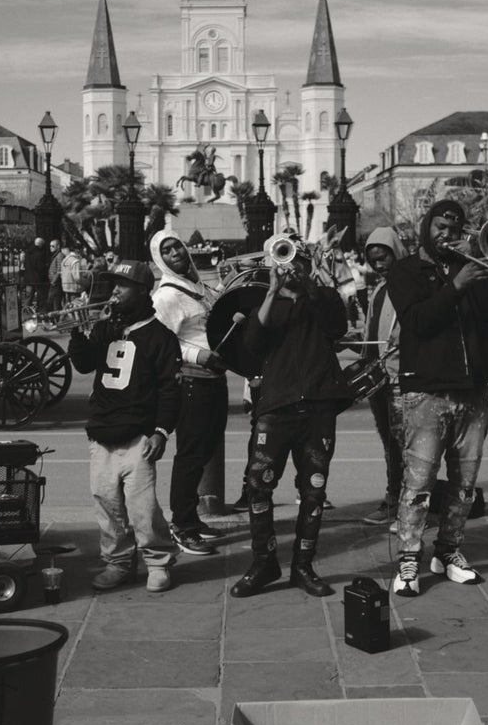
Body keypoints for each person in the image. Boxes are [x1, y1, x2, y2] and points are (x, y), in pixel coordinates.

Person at [386, 199, 488, 596]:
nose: (447, 233)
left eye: (454, 227)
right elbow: (418, 321)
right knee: (418, 483)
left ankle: (449, 551)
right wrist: (456, 286)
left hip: (472, 388)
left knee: (465, 483)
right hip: (426, 390)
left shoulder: (470, 269)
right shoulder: (405, 271)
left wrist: (485, 270)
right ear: (427, 228)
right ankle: (408, 559)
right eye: (440, 225)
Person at [230, 245, 352, 598]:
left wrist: (310, 290)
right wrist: (271, 291)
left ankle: (303, 566)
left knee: (313, 490)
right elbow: (253, 343)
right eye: (286, 259)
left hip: (319, 406)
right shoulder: (265, 304)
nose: (293, 266)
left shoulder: (324, 296)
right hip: (276, 405)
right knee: (258, 484)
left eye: (299, 259)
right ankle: (263, 562)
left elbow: (336, 328)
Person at [66, 260, 183, 594]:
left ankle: (158, 562)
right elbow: (85, 363)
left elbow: (169, 390)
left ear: (143, 291)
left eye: (122, 285)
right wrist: (78, 331)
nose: (114, 290)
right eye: (113, 284)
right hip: (102, 432)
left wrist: (161, 431)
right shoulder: (107, 328)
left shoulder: (160, 337)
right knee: (107, 507)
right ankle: (118, 562)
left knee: (142, 509)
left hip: (138, 436)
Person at [149, 230, 228, 556]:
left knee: (204, 450)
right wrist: (199, 355)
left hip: (213, 380)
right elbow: (161, 342)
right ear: (159, 259)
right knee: (191, 456)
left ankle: (191, 518)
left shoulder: (193, 286)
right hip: (194, 382)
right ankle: (181, 525)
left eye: (176, 246)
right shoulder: (166, 296)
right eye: (166, 251)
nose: (174, 253)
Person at [359, 226, 406, 526]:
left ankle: (407, 506)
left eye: (383, 257)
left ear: (396, 252)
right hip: (378, 379)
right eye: (373, 260)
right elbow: (373, 330)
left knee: (405, 445)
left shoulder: (408, 285)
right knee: (390, 443)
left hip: (400, 379)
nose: (378, 265)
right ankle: (393, 499)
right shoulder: (379, 288)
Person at [22, 237, 51, 310]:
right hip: (38, 279)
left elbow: (25, 265)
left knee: (29, 296)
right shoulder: (40, 254)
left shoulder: (28, 253)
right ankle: (41, 310)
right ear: (41, 245)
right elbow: (40, 268)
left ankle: (25, 309)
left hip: (28, 278)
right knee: (41, 296)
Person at [59, 243, 86, 317]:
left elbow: (62, 274)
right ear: (78, 250)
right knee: (76, 310)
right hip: (74, 289)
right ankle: (75, 326)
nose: (83, 251)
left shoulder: (65, 260)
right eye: (82, 250)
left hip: (65, 288)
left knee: (68, 309)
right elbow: (77, 277)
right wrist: (85, 282)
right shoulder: (75, 261)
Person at [46, 239, 65, 313]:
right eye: (50, 246)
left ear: (58, 246)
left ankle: (56, 321)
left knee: (55, 304)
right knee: (51, 303)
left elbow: (59, 270)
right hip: (53, 283)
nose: (51, 247)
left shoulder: (59, 255)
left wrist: (54, 281)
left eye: (53, 246)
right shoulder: (55, 255)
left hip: (56, 284)